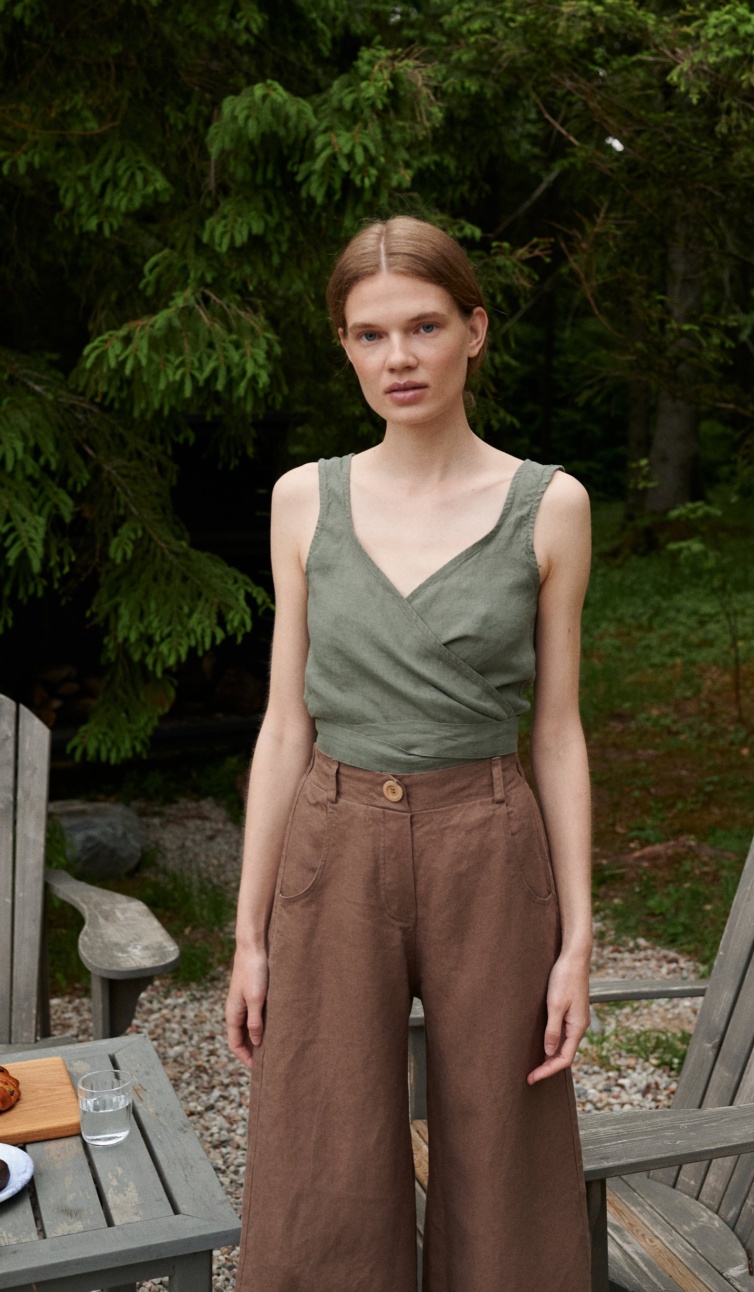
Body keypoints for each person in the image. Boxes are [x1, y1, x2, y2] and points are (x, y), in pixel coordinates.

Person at [226, 215, 593, 1291]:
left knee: (505, 1147)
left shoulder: (549, 505)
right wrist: (247, 936)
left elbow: (558, 731)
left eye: (423, 325)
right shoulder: (306, 499)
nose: (398, 357)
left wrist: (576, 935)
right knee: (320, 1144)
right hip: (333, 842)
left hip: (488, 838)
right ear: (343, 346)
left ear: (472, 330)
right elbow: (285, 724)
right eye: (368, 333)